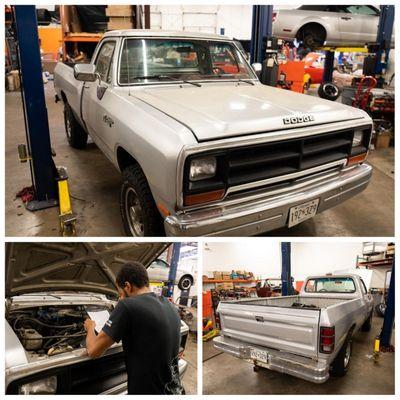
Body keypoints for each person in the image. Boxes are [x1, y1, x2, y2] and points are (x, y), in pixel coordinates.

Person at [83, 262, 184, 395]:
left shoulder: (127, 306)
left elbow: (93, 351)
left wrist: (90, 327)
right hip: (174, 390)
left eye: (121, 293)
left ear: (127, 286)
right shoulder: (170, 306)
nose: (121, 297)